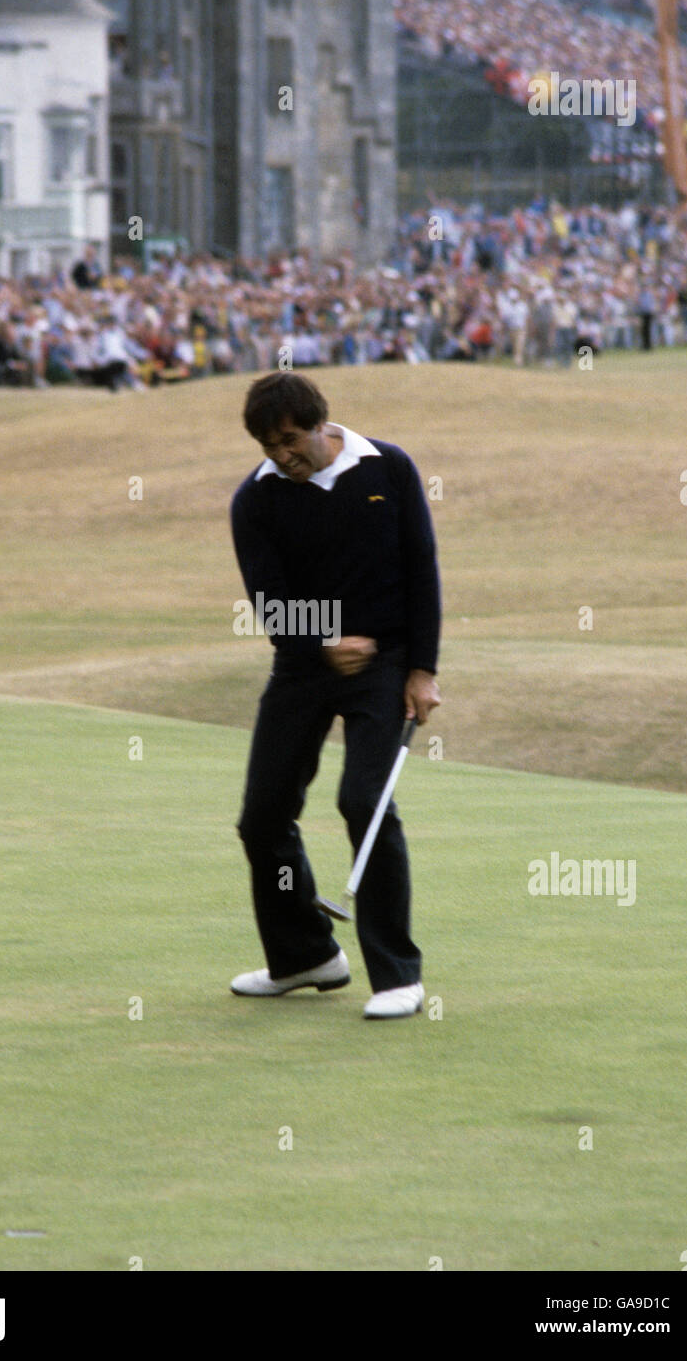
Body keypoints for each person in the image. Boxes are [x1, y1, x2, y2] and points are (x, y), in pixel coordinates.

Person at [229, 372, 442, 1020]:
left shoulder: (389, 468)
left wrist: (423, 671)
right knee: (262, 816)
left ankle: (398, 974)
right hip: (302, 665)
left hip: (386, 661)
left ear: (320, 423)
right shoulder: (256, 501)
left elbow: (421, 569)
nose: (281, 455)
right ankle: (305, 956)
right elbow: (270, 606)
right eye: (269, 446)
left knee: (364, 801)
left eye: (290, 440)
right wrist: (323, 638)